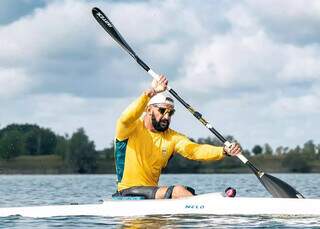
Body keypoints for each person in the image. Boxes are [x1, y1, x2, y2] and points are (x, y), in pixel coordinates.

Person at [113, 75, 241, 199]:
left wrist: (223, 151)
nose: (167, 117)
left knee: (186, 190)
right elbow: (125, 118)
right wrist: (149, 94)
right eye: (162, 111)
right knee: (178, 191)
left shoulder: (172, 137)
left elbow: (195, 151)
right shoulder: (130, 128)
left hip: (150, 193)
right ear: (149, 109)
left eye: (171, 113)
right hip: (127, 191)